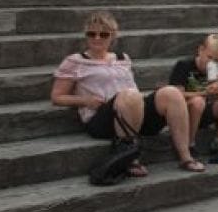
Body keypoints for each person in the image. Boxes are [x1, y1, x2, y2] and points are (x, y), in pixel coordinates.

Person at [51, 12, 204, 173]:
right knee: (130, 96)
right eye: (91, 33)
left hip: (134, 107)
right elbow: (57, 97)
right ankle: (130, 158)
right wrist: (85, 101)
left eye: (103, 34)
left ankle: (186, 156)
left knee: (171, 92)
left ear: (112, 36)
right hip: (102, 117)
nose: (97, 38)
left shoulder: (122, 58)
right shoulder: (75, 61)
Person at [169, 33, 218, 159]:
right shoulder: (184, 65)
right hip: (184, 113)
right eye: (209, 57)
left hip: (204, 112)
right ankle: (189, 144)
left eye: (217, 61)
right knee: (198, 102)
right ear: (201, 50)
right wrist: (204, 92)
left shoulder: (214, 69)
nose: (212, 63)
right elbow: (176, 94)